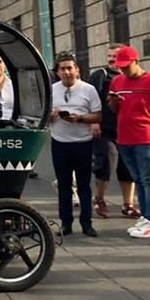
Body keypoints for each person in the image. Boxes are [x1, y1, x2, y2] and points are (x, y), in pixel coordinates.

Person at [108, 46, 150, 239]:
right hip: (124, 137)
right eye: (121, 67)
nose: (123, 70)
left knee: (146, 180)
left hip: (145, 137)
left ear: (136, 61)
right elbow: (113, 109)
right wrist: (113, 100)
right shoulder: (117, 81)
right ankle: (145, 216)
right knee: (138, 179)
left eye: (126, 66)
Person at [49, 53, 102, 237]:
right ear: (57, 72)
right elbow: (42, 117)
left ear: (77, 70)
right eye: (62, 69)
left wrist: (80, 118)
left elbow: (98, 115)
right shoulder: (51, 90)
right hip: (60, 143)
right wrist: (53, 115)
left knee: (84, 186)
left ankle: (87, 223)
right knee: (64, 186)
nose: (66, 72)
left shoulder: (88, 90)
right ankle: (66, 223)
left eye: (70, 68)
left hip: (83, 143)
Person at [88, 44, 138, 219]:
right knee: (105, 165)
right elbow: (91, 100)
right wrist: (94, 122)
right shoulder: (100, 75)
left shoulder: (131, 77)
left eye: (115, 56)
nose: (111, 59)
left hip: (127, 130)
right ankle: (99, 198)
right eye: (109, 56)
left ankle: (128, 204)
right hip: (106, 130)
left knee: (127, 168)